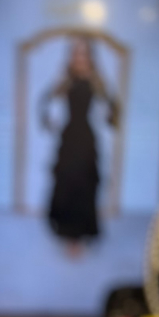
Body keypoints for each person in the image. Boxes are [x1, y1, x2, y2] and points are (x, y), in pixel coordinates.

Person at [39, 35, 120, 250]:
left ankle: (81, 234)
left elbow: (113, 108)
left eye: (84, 54)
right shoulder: (65, 81)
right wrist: (48, 122)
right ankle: (66, 234)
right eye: (76, 54)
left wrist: (110, 118)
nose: (80, 58)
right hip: (68, 138)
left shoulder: (97, 82)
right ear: (71, 57)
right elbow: (45, 101)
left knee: (85, 185)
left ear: (90, 57)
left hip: (86, 138)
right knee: (66, 183)